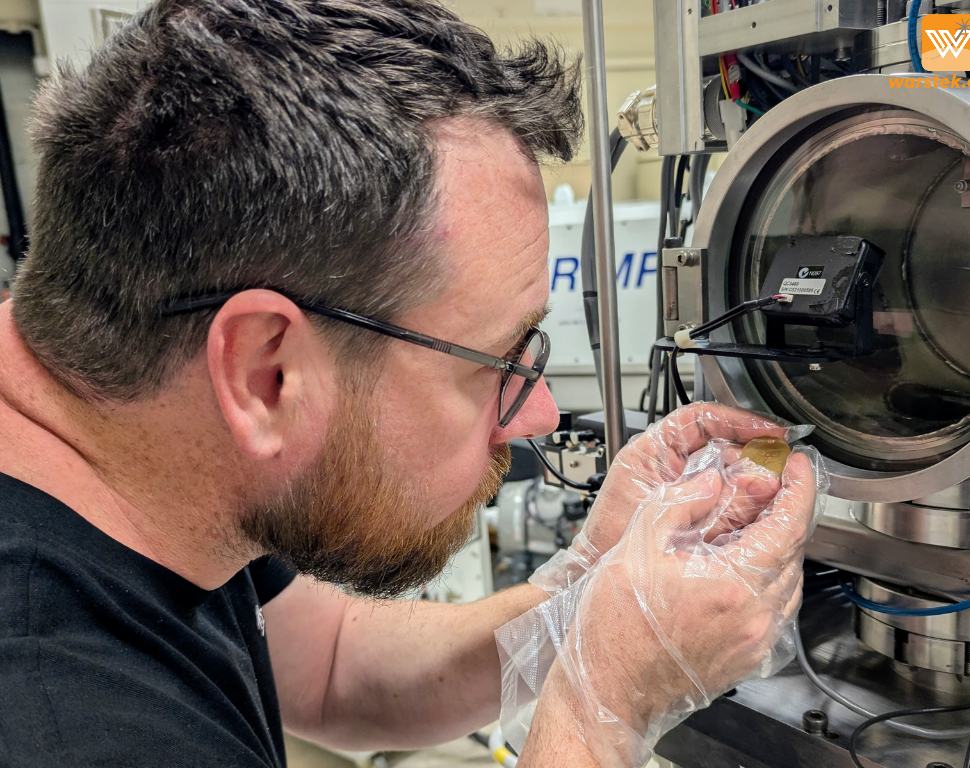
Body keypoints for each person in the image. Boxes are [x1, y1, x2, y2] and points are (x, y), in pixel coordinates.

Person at [0, 0, 819, 765]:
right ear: (265, 373)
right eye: (496, 363)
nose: (537, 414)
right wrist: (604, 708)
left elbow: (331, 667)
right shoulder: (63, 720)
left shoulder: (150, 456)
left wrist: (587, 595)